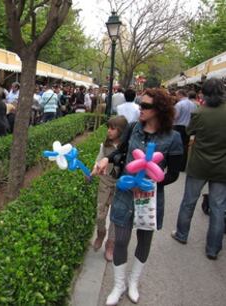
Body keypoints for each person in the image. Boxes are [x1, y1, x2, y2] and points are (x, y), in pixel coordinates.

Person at [96, 88, 183, 305]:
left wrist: (150, 184)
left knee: (144, 241)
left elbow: (173, 173)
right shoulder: (134, 128)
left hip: (149, 198)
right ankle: (118, 285)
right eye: (140, 104)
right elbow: (121, 152)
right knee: (122, 240)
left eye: (145, 106)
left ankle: (133, 282)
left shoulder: (173, 138)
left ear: (159, 110)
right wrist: (108, 159)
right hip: (125, 193)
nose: (140, 108)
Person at [172, 78, 226, 260]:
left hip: (199, 164)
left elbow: (189, 132)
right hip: (222, 167)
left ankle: (182, 234)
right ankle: (213, 248)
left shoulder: (199, 113)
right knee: (218, 207)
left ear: (205, 93)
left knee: (189, 201)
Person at [91, 116, 128, 262]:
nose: (109, 131)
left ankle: (110, 244)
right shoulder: (105, 146)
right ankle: (101, 233)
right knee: (100, 214)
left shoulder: (127, 147)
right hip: (105, 183)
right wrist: (95, 169)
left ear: (121, 131)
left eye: (113, 128)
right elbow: (99, 160)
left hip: (121, 185)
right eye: (109, 127)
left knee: (116, 216)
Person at [173, 89, 197, 171]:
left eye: (176, 95)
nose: (176, 97)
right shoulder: (193, 105)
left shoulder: (179, 104)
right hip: (188, 126)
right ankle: (182, 166)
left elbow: (175, 116)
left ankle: (176, 164)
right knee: (185, 146)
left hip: (179, 126)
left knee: (177, 146)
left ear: (180, 95)